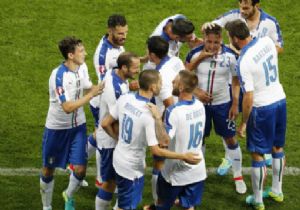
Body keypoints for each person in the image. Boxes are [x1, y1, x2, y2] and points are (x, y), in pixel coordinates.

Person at [101, 69, 201, 210]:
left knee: (124, 200)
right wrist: (183, 156)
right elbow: (157, 149)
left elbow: (105, 123)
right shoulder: (149, 114)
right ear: (153, 87)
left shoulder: (125, 98)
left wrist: (118, 139)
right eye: (160, 82)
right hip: (131, 167)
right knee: (126, 206)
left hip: (119, 157)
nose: (163, 85)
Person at [202, 0, 284, 166]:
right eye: (241, 6)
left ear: (257, 5)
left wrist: (254, 56)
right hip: (236, 74)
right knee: (230, 118)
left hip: (254, 76)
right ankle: (229, 156)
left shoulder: (269, 22)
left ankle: (263, 151)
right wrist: (206, 27)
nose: (242, 10)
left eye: (246, 7)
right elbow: (212, 26)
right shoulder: (234, 16)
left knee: (248, 109)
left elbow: (279, 46)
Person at [225, 19, 286, 210]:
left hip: (262, 108)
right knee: (278, 147)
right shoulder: (266, 42)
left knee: (257, 153)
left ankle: (258, 200)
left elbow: (248, 97)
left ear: (235, 38)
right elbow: (275, 50)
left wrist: (244, 123)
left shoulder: (244, 62)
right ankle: (277, 190)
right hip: (280, 100)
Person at [40, 36, 104, 210]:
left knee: (81, 170)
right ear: (70, 55)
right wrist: (90, 96)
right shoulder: (58, 76)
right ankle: (47, 206)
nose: (85, 53)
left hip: (78, 128)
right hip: (57, 129)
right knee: (48, 169)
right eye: (81, 51)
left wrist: (109, 84)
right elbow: (67, 107)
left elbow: (89, 87)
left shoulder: (81, 68)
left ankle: (68, 195)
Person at [185, 25, 247, 194]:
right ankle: (199, 173)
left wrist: (235, 104)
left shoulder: (231, 56)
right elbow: (184, 74)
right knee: (199, 139)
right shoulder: (194, 53)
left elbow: (235, 81)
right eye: (209, 41)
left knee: (230, 139)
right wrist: (197, 91)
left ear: (221, 40)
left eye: (216, 42)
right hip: (199, 105)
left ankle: (238, 176)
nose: (212, 46)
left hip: (223, 104)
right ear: (203, 38)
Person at [146, 70, 206, 210]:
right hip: (197, 169)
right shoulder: (200, 105)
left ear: (180, 88)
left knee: (162, 205)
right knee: (189, 206)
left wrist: (156, 117)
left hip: (175, 172)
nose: (172, 82)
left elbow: (164, 141)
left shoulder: (174, 111)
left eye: (175, 81)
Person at [86, 14, 128, 188]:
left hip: (114, 96)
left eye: (125, 32)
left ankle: (77, 161)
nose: (123, 36)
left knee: (99, 135)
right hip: (103, 100)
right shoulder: (103, 54)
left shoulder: (117, 45)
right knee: (104, 138)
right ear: (110, 31)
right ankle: (100, 178)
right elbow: (106, 83)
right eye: (119, 33)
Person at [95, 52, 140, 210]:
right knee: (110, 183)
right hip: (110, 142)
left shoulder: (115, 74)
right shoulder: (115, 90)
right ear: (124, 67)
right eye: (135, 68)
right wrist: (120, 140)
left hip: (109, 139)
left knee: (114, 182)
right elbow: (111, 122)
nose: (137, 71)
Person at [146, 36, 185, 208]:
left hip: (167, 123)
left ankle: (158, 203)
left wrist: (162, 127)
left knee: (159, 163)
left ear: (152, 55)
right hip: (184, 115)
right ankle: (181, 200)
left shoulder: (159, 76)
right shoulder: (176, 60)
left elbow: (169, 104)